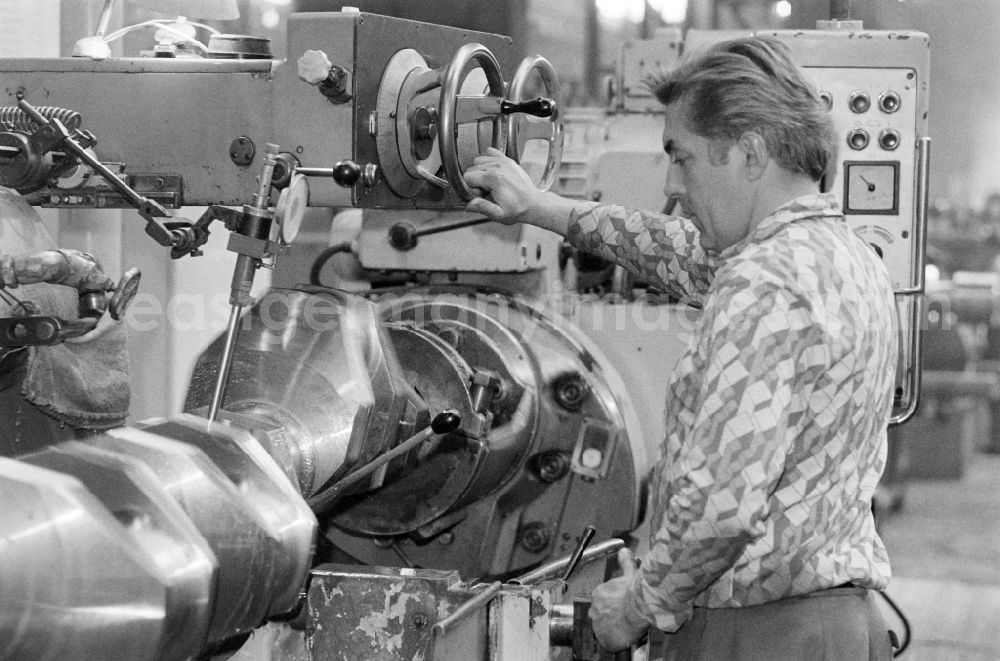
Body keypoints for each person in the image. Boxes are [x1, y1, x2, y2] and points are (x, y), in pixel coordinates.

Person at [465, 36, 898, 660]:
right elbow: (676, 250)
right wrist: (544, 208)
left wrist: (639, 604)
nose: (671, 183)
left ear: (749, 154)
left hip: (755, 636)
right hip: (835, 628)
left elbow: (722, 507)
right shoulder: (846, 258)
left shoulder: (763, 282)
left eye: (682, 156)